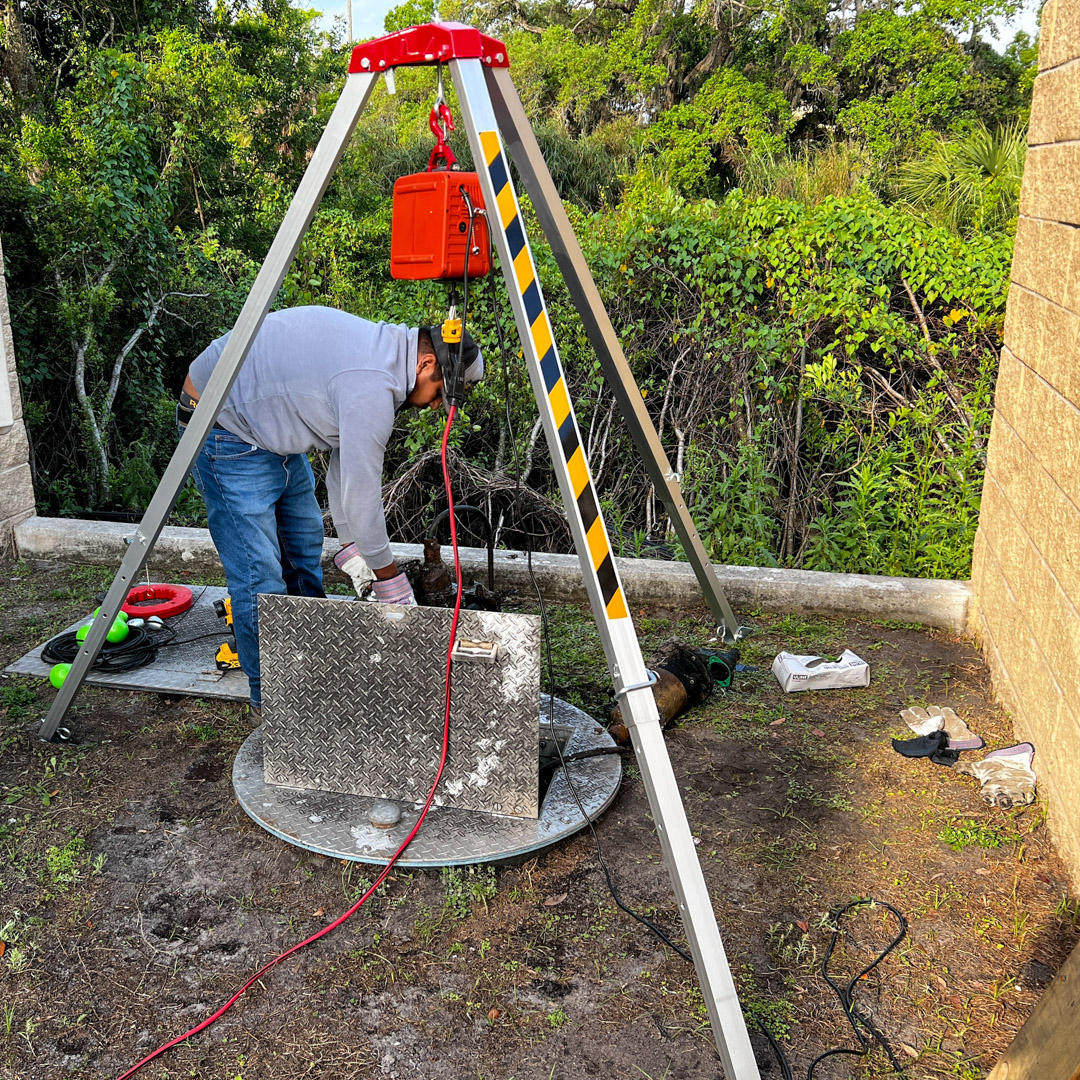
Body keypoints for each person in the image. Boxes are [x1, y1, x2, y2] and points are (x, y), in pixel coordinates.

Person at [176, 305, 484, 714]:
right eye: (439, 393)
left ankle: (308, 674)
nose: (435, 407)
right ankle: (273, 706)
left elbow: (343, 459)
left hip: (270, 422)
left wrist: (350, 544)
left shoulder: (386, 361)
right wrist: (389, 580)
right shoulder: (372, 386)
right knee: (260, 578)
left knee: (304, 551)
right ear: (426, 362)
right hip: (224, 421)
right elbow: (362, 495)